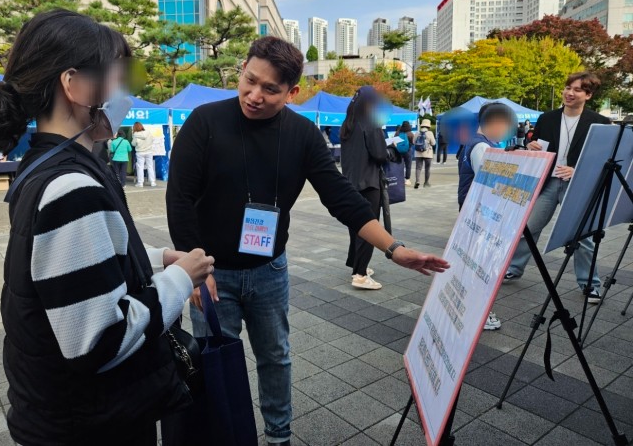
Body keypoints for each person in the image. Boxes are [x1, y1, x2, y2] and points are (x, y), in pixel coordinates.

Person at [166, 36, 449, 446]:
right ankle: (222, 435)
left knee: (275, 358)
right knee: (214, 362)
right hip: (211, 273)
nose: (254, 95)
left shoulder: (302, 135)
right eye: (250, 81)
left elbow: (342, 198)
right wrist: (193, 271)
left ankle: (279, 437)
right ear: (243, 68)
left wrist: (395, 249)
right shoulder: (205, 122)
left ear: (292, 92)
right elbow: (180, 198)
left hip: (269, 270)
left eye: (270, 89)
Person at [0, 9, 215, 445]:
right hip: (90, 423)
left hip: (65, 414)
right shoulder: (70, 186)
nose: (124, 93)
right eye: (117, 79)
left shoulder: (44, 166)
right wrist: (180, 278)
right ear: (76, 85)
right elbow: (99, 341)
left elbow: (69, 271)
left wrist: (156, 259)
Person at [504, 71, 610, 305]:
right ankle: (514, 268)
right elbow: (538, 146)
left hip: (578, 185)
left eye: (577, 90)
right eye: (567, 88)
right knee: (529, 228)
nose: (569, 93)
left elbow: (605, 160)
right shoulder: (547, 118)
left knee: (583, 235)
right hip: (549, 183)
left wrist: (577, 170)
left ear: (588, 95)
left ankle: (590, 284)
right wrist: (532, 146)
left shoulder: (601, 123)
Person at [458, 102, 518, 332]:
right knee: (479, 264)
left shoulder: (479, 143)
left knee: (474, 262)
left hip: (474, 213)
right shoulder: (482, 148)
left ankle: (473, 308)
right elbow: (491, 184)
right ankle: (480, 313)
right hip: (480, 215)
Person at [340, 86, 399, 290]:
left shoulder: (347, 125)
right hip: (368, 183)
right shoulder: (370, 124)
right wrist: (391, 149)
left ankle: (356, 266)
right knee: (368, 229)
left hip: (348, 184)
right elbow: (379, 154)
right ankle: (360, 274)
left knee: (355, 228)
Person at [131, 121, 157, 187]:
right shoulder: (148, 132)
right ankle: (152, 182)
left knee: (140, 168)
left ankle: (140, 183)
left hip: (140, 152)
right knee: (150, 167)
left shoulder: (135, 134)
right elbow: (153, 139)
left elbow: (133, 144)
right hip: (149, 151)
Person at [414, 119, 436, 189]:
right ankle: (426, 183)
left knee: (418, 168)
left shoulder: (417, 133)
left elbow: (413, 142)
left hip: (418, 153)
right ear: (428, 126)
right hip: (428, 154)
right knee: (427, 168)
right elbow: (433, 143)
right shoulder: (430, 133)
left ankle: (417, 181)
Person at [395, 121, 414, 186]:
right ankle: (407, 180)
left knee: (399, 164)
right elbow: (413, 142)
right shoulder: (410, 133)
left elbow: (394, 141)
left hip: (399, 151)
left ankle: (399, 178)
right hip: (408, 151)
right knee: (408, 165)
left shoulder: (398, 133)